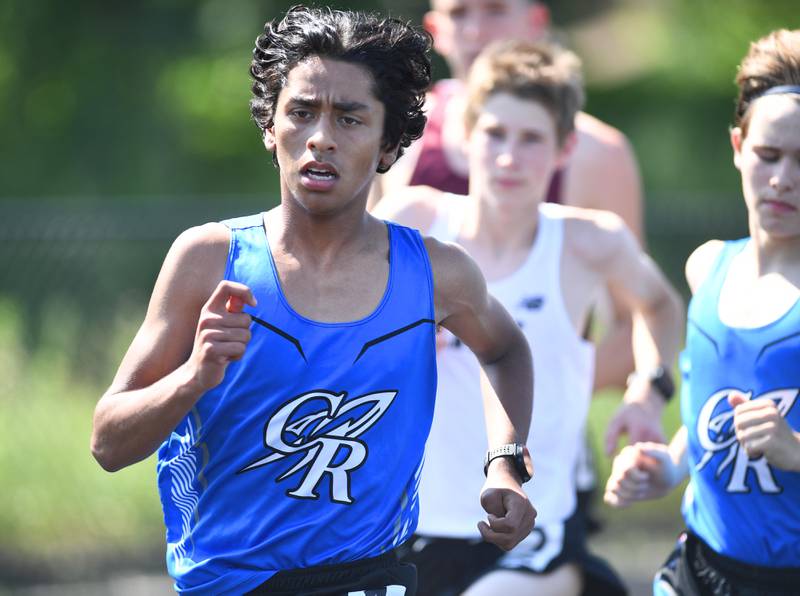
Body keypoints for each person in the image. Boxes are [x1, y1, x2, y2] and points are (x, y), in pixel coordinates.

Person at [89, 7, 538, 595]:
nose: (321, 137)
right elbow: (108, 443)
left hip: (371, 576)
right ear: (270, 128)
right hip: (226, 582)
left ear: (389, 143)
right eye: (301, 113)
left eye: (350, 119)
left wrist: (506, 461)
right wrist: (195, 378)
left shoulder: (434, 273)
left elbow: (505, 350)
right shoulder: (208, 260)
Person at [375, 40, 683, 596]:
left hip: (526, 538)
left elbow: (660, 305)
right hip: (406, 525)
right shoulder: (413, 221)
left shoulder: (590, 241)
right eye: (495, 134)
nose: (510, 157)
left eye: (531, 139)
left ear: (564, 148)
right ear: (466, 138)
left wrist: (649, 391)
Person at [604, 28, 800, 596]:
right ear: (738, 147)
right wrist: (669, 465)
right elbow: (715, 414)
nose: (783, 179)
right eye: (768, 155)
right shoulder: (706, 267)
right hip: (698, 568)